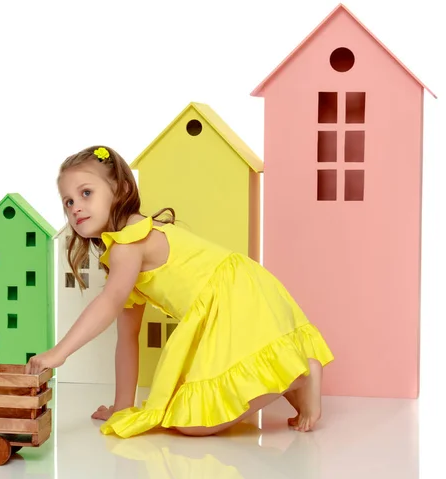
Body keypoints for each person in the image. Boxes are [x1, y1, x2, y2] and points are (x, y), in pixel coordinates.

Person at [26, 145, 334, 438]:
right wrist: (122, 408)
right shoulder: (123, 249)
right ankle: (299, 377)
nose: (75, 207)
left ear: (119, 189)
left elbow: (108, 303)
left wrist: (59, 353)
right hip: (235, 289)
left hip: (232, 297)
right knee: (189, 412)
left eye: (86, 193)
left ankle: (301, 371)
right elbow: (127, 338)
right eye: (68, 201)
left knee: (194, 422)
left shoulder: (129, 243)